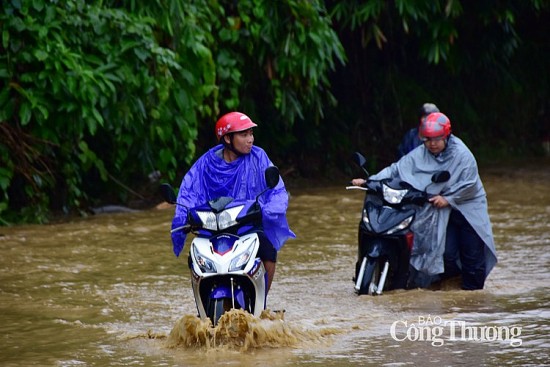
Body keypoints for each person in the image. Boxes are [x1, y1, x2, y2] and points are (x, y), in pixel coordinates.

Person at [351, 112, 497, 290]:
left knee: (472, 256)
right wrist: (370, 181)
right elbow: (397, 169)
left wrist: (448, 199)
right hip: (441, 210)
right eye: (427, 139)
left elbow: (470, 185)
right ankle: (448, 288)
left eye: (437, 139)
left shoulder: (462, 155)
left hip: (467, 209)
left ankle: (471, 302)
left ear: (447, 136)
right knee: (446, 253)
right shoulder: (421, 153)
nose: (432, 144)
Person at [170, 111, 295, 292]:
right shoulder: (206, 163)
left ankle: (262, 300)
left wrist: (268, 208)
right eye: (244, 135)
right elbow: (189, 192)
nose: (250, 139)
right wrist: (183, 217)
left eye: (251, 134)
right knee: (194, 256)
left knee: (268, 250)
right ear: (228, 138)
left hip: (247, 224)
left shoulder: (259, 157)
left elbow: (277, 191)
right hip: (213, 227)